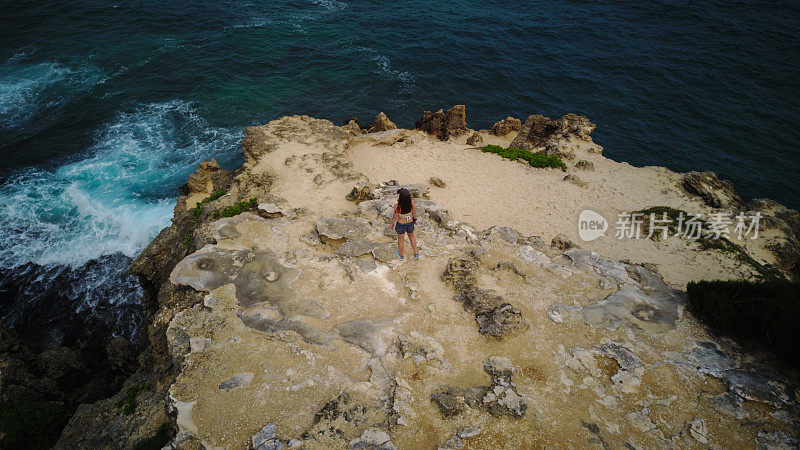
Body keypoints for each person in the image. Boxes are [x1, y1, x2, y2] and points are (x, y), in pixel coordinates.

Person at [389, 188, 419, 260]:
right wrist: (414, 219)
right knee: (412, 237)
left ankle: (401, 255)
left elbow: (395, 217)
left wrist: (392, 224)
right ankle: (416, 253)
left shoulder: (398, 206)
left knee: (401, 240)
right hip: (410, 223)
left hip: (401, 225)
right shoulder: (411, 202)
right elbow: (414, 212)